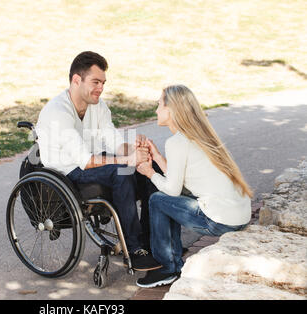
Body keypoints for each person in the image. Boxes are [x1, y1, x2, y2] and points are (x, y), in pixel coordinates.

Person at [35, 51, 161, 271]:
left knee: (151, 166)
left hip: (93, 163)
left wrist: (135, 151)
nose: (101, 88)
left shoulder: (98, 106)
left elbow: (114, 141)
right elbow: (84, 160)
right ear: (76, 80)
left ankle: (152, 242)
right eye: (95, 82)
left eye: (103, 83)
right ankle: (134, 249)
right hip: (67, 172)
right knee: (121, 171)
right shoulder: (58, 112)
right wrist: (127, 160)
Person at [135, 84, 252, 287]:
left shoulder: (177, 142)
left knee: (157, 200)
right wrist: (159, 158)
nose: (156, 110)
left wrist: (150, 172)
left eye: (159, 105)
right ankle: (172, 256)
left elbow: (172, 190)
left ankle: (168, 267)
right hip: (240, 216)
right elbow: (178, 183)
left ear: (171, 110)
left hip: (221, 221)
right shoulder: (199, 135)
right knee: (166, 199)